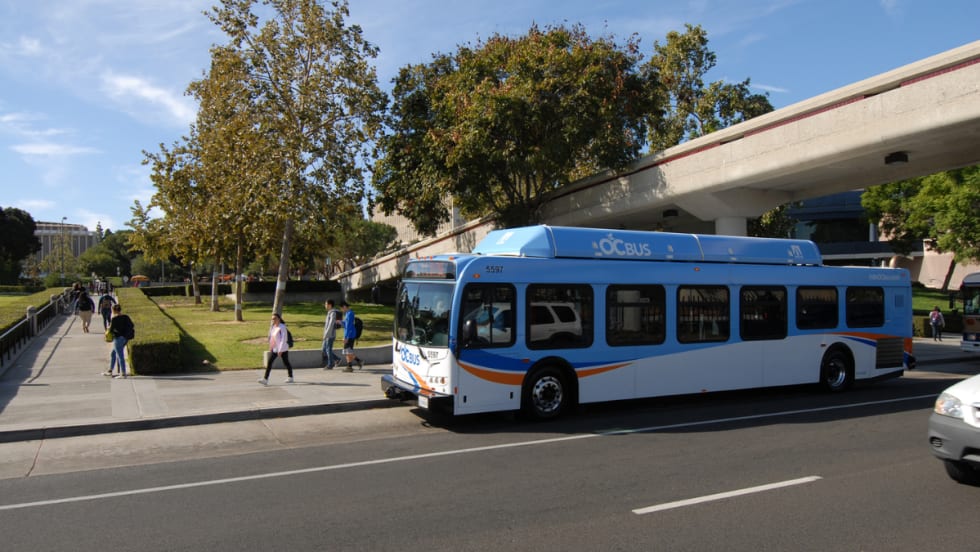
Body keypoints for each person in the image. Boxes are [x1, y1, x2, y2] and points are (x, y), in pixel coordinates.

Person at [260, 312, 294, 385]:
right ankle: (265, 379)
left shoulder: (282, 327)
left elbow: (283, 339)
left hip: (283, 349)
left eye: (274, 319)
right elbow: (272, 337)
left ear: (278, 319)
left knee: (286, 363)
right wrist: (271, 346)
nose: (273, 320)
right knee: (270, 363)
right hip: (275, 349)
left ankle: (290, 377)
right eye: (272, 319)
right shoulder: (273, 327)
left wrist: (280, 350)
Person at [104, 303, 135, 378]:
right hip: (125, 338)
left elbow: (111, 330)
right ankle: (110, 370)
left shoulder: (114, 319)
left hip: (118, 339)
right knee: (113, 353)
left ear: (113, 310)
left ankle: (123, 373)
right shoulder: (126, 317)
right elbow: (132, 325)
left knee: (120, 356)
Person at [340, 301, 363, 372]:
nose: (341, 310)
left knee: (347, 351)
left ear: (344, 307)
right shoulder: (348, 313)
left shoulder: (350, 314)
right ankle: (351, 366)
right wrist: (340, 322)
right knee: (348, 351)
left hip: (350, 335)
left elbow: (349, 326)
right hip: (350, 334)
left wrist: (346, 337)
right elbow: (346, 324)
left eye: (341, 308)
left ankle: (354, 364)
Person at [321, 299, 342, 370]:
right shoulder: (329, 312)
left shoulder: (333, 313)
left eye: (326, 304)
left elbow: (330, 325)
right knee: (324, 349)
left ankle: (330, 364)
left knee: (328, 349)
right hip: (327, 334)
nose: (325, 305)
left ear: (329, 305)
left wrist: (326, 335)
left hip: (330, 335)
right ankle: (337, 359)